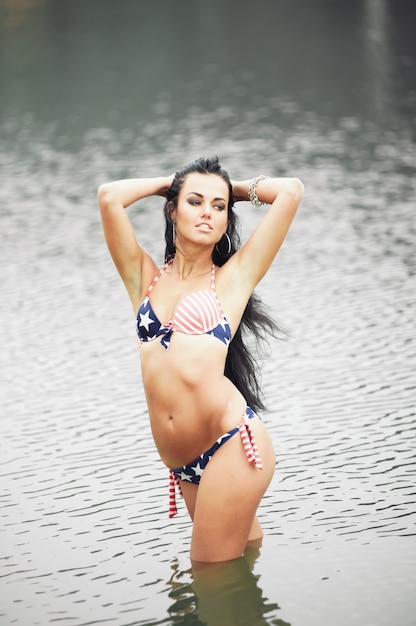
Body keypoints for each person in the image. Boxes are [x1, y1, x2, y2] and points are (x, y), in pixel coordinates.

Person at [97, 156, 304, 563]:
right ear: (172, 210)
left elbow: (290, 190)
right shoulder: (144, 278)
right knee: (239, 563)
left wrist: (237, 190)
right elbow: (109, 198)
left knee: (210, 573)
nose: (208, 212)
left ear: (228, 219)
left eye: (219, 206)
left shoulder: (233, 279)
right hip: (186, 464)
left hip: (231, 445)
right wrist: (169, 185)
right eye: (195, 202)